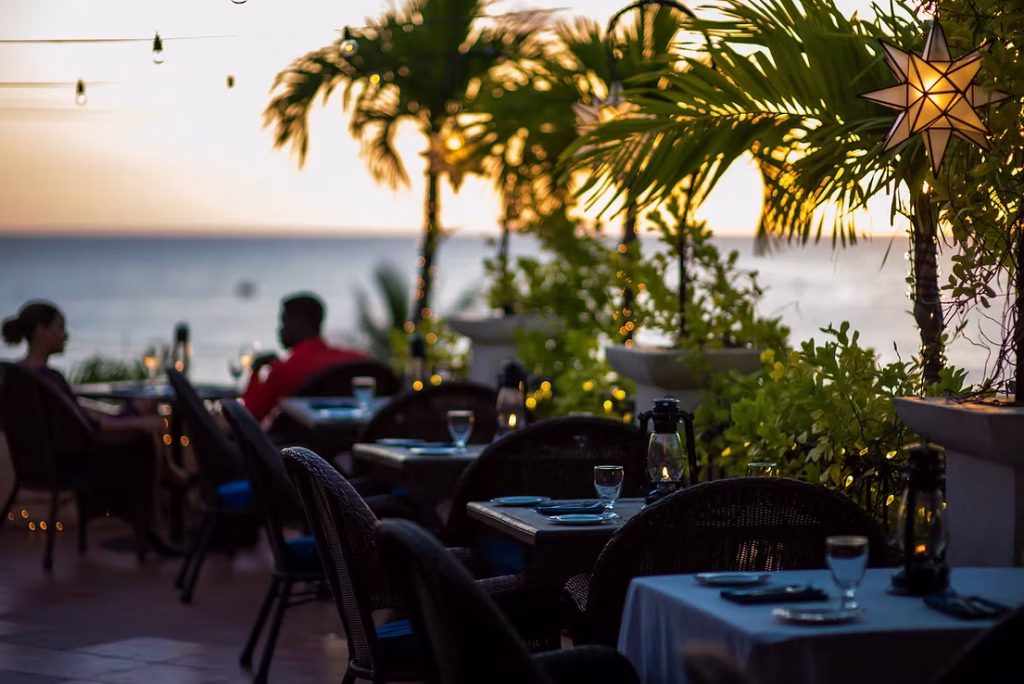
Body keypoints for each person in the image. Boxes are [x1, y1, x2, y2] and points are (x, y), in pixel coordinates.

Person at [1, 301, 175, 554]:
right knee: (145, 439)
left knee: (145, 405)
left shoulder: (18, 377)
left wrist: (127, 416)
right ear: (40, 331)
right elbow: (91, 428)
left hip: (37, 463)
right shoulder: (48, 380)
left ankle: (170, 475)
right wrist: (139, 423)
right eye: (60, 328)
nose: (66, 336)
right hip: (76, 460)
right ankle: (156, 520)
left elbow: (74, 414)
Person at [242, 292, 371, 423]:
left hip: (296, 435)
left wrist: (255, 371)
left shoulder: (283, 371)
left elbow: (249, 418)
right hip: (352, 432)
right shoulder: (359, 361)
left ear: (297, 324)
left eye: (284, 322)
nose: (280, 330)